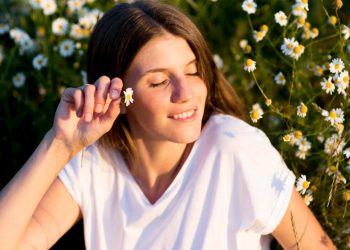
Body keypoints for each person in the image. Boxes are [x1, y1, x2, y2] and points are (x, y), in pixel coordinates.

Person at [0, 1, 336, 249]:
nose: (186, 92)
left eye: (192, 71)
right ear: (119, 95)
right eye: (159, 81)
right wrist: (60, 144)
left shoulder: (235, 149)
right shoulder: (95, 162)